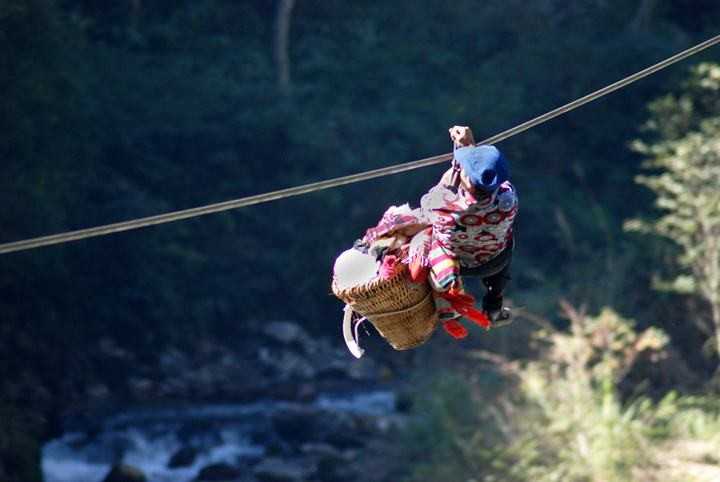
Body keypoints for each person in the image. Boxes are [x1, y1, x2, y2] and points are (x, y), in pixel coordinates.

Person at [416, 126, 518, 336]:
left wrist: (458, 166)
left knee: (424, 235)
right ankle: (494, 303)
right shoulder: (509, 200)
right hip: (494, 262)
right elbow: (487, 178)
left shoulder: (442, 206)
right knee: (506, 241)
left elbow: (428, 202)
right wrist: (470, 150)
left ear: (464, 177)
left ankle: (448, 299)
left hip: (458, 265)